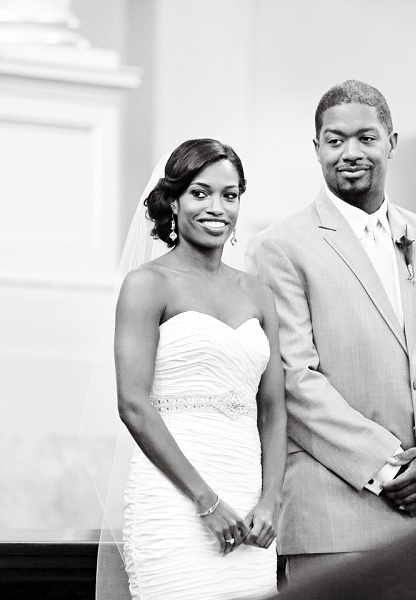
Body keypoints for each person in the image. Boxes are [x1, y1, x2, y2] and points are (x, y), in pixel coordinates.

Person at [246, 80, 416, 585]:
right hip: (336, 517)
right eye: (334, 141)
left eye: (366, 138)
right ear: (316, 150)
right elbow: (296, 380)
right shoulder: (280, 248)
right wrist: (389, 468)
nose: (350, 153)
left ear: (391, 143)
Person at [112, 139, 286, 599]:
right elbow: (132, 404)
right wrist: (205, 501)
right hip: (175, 500)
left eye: (230, 195)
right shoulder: (148, 285)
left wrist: (270, 502)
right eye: (200, 192)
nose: (217, 207)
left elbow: (273, 410)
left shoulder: (257, 292)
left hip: (251, 506)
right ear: (173, 200)